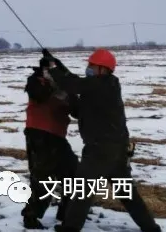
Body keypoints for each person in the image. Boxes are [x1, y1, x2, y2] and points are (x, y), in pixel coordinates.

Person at [43, 48, 161, 232]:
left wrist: (52, 68)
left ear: (102, 69)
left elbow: (74, 85)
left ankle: (70, 228)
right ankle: (150, 228)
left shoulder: (102, 84)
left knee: (83, 189)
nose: (88, 68)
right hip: (116, 148)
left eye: (91, 65)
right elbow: (78, 106)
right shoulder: (100, 87)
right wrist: (59, 67)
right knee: (126, 192)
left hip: (101, 150)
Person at [21, 58, 80, 229]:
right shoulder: (35, 81)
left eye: (55, 69)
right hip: (39, 135)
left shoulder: (65, 87)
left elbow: (77, 111)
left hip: (58, 138)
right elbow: (38, 95)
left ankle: (67, 212)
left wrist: (69, 90)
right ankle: (30, 217)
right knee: (42, 178)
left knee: (74, 173)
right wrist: (55, 85)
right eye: (50, 68)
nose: (52, 71)